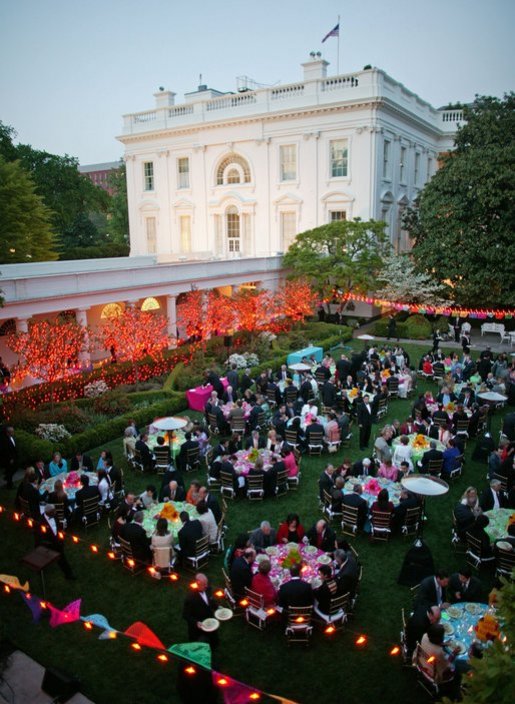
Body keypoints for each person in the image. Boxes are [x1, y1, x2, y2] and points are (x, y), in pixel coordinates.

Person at [414, 624, 462, 701]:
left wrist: (443, 644)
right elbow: (446, 665)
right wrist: (454, 653)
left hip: (420, 662)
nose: (443, 637)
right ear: (440, 638)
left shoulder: (425, 636)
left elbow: (432, 642)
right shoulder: (439, 652)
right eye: (442, 636)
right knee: (457, 669)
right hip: (431, 672)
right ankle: (454, 690)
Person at [37, 504, 76, 579]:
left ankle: (69, 575)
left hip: (58, 541)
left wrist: (60, 536)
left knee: (62, 559)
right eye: (54, 511)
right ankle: (40, 570)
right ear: (49, 513)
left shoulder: (55, 515)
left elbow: (58, 526)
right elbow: (40, 535)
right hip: (49, 543)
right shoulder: (41, 522)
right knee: (49, 558)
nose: (55, 512)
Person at [182, 573, 218, 647]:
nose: (206, 586)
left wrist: (217, 607)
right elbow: (185, 615)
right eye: (204, 584)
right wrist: (196, 622)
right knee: (196, 644)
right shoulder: (190, 598)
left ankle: (214, 646)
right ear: (197, 584)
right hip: (198, 624)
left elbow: (210, 601)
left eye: (206, 583)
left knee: (213, 638)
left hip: (210, 619)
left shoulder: (208, 589)